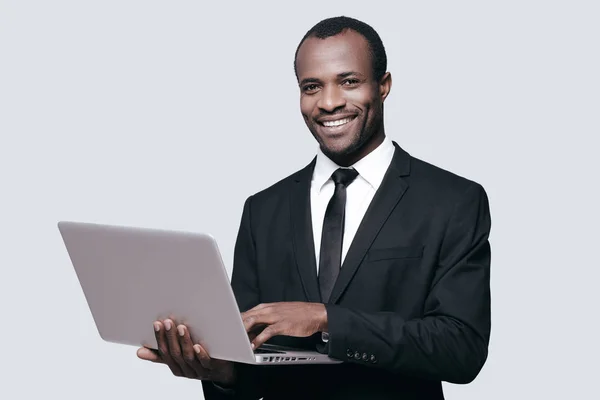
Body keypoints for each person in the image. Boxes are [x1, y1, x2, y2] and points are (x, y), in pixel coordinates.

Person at [137, 16, 492, 400]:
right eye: (311, 87)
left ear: (383, 86)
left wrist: (326, 320)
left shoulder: (453, 201)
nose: (328, 102)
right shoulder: (263, 210)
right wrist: (221, 371)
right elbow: (250, 360)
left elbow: (462, 349)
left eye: (349, 81)